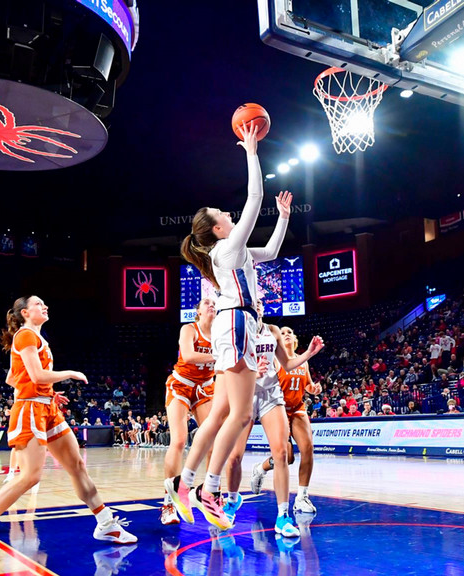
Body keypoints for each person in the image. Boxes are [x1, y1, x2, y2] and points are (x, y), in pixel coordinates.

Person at [169, 121, 301, 528]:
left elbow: (273, 250)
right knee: (240, 416)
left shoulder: (234, 252)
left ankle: (184, 483)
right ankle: (208, 490)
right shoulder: (227, 248)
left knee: (221, 412)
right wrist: (251, 152)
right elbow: (254, 196)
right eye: (223, 215)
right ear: (217, 228)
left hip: (233, 325)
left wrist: (283, 217)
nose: (229, 214)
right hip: (237, 324)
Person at [0, 296, 135, 563]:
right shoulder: (25, 335)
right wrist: (70, 373)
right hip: (30, 410)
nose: (45, 307)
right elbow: (37, 376)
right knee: (30, 476)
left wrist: (49, 393)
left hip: (47, 408)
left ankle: (106, 523)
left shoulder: (35, 338)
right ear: (25, 312)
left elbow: (13, 377)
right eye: (39, 304)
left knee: (77, 465)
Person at [224, 311, 323, 537]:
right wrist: (251, 372)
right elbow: (228, 367)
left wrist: (309, 353)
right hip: (246, 393)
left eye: (260, 302)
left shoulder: (273, 331)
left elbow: (289, 366)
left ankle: (284, 514)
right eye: (253, 302)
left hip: (274, 397)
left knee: (284, 454)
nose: (257, 305)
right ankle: (231, 501)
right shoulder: (237, 329)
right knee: (235, 456)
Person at [251, 326, 324, 515]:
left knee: (307, 448)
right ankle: (260, 468)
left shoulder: (302, 362)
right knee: (287, 457)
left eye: (289, 332)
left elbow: (308, 385)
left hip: (297, 408)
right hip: (278, 408)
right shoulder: (275, 360)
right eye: (282, 333)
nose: (286, 334)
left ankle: (302, 497)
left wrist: (314, 389)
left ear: (295, 339)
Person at [161, 297, 218, 525]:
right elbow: (189, 356)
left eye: (214, 303)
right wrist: (221, 355)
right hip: (181, 384)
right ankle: (168, 503)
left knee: (213, 443)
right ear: (198, 311)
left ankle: (209, 493)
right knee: (179, 441)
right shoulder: (189, 329)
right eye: (206, 303)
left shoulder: (221, 333)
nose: (211, 305)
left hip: (205, 388)